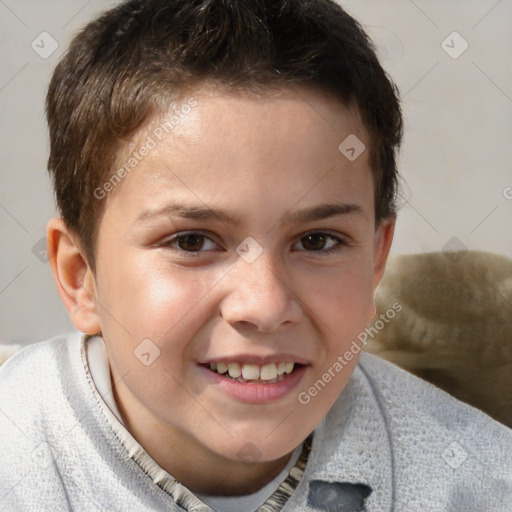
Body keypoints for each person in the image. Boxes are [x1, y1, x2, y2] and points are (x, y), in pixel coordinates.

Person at [0, 0, 510, 510]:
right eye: (192, 241)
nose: (264, 306)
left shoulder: (478, 482)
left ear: (375, 261)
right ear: (79, 276)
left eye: (317, 241)